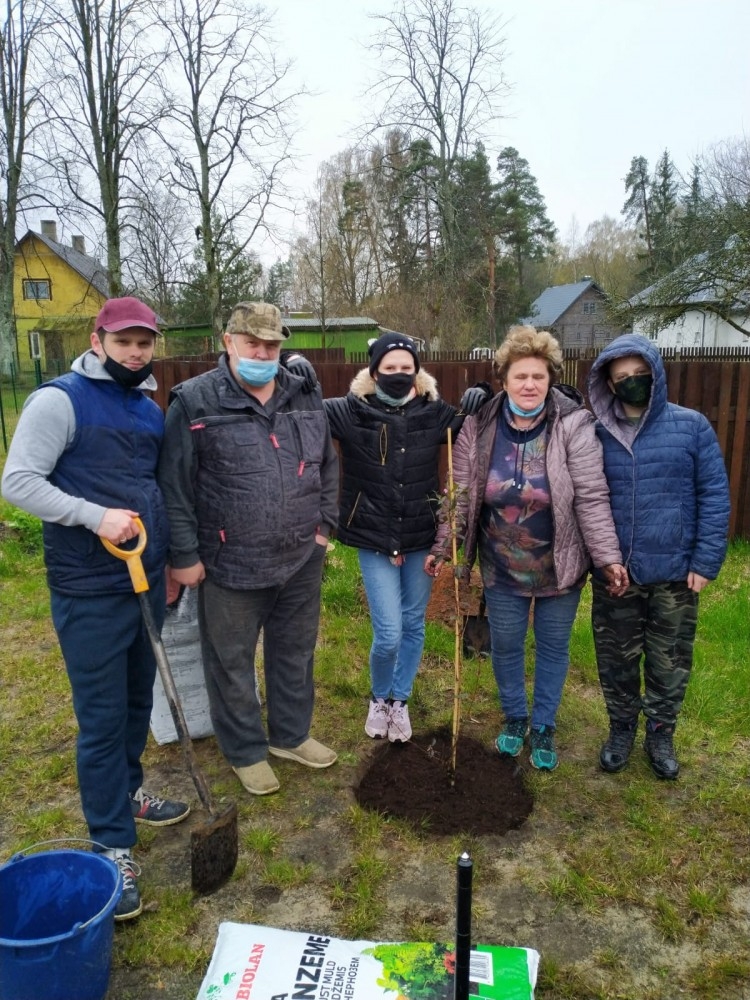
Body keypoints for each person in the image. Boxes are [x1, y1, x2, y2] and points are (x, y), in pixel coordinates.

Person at [1, 296, 190, 922]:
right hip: (88, 586)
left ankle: (128, 793)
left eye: (145, 343)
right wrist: (94, 516)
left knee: (139, 701)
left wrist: (162, 566)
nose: (136, 352)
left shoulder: (145, 404)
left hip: (144, 579)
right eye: (124, 341)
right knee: (104, 716)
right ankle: (111, 843)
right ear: (98, 339)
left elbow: (153, 488)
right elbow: (19, 481)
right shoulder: (59, 400)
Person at [157, 301, 339, 799]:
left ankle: (290, 735)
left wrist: (323, 527)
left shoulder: (304, 395)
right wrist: (185, 555)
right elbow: (174, 486)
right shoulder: (194, 403)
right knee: (231, 662)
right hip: (229, 563)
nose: (263, 352)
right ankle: (245, 751)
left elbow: (326, 464)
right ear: (228, 341)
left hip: (301, 557)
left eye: (272, 345)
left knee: (295, 652)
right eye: (253, 343)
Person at [426, 325, 627, 770]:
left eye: (538, 376)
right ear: (504, 379)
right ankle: (516, 718)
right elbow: (457, 497)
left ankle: (544, 724)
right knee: (508, 644)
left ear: (551, 378)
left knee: (554, 646)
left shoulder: (574, 426)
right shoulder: (478, 429)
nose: (529, 384)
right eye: (520, 376)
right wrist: (445, 549)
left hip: (560, 564)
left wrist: (609, 557)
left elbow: (592, 495)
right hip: (502, 565)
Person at [324, 331, 492, 742]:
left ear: (417, 370)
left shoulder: (435, 414)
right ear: (374, 371)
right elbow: (298, 412)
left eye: (406, 367)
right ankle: (378, 697)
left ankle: (400, 701)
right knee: (389, 632)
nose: (398, 374)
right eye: (389, 368)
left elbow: (480, 427)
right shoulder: (350, 411)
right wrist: (298, 380)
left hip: (420, 535)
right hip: (373, 535)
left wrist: (482, 395)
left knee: (413, 624)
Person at [587, 334, 730, 780]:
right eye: (621, 378)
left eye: (639, 375)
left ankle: (661, 733)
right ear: (608, 385)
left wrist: (705, 562)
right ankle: (621, 730)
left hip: (674, 573)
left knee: (669, 662)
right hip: (616, 575)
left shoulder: (691, 427)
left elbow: (714, 495)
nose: (632, 383)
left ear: (656, 373)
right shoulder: (595, 432)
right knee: (616, 660)